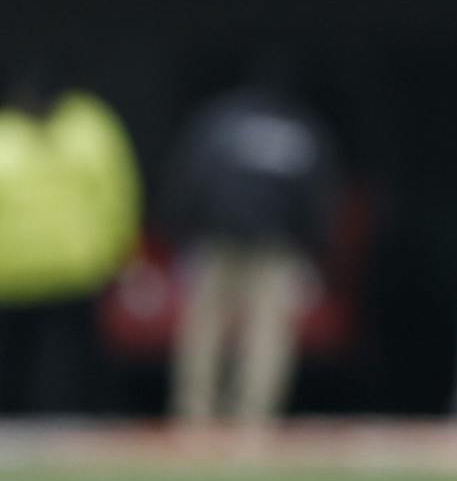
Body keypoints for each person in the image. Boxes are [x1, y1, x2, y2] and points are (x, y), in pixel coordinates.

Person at [164, 75, 340, 428]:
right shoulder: (300, 128)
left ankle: (193, 418)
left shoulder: (219, 120)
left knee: (204, 330)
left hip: (219, 241)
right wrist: (315, 246)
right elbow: (319, 197)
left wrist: (180, 234)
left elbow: (189, 179)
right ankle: (254, 421)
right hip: (273, 248)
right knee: (267, 336)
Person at [0, 70, 140, 414]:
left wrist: (119, 251)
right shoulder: (7, 133)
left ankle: (79, 421)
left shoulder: (90, 128)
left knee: (77, 360)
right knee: (14, 359)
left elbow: (117, 193)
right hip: (12, 275)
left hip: (76, 269)